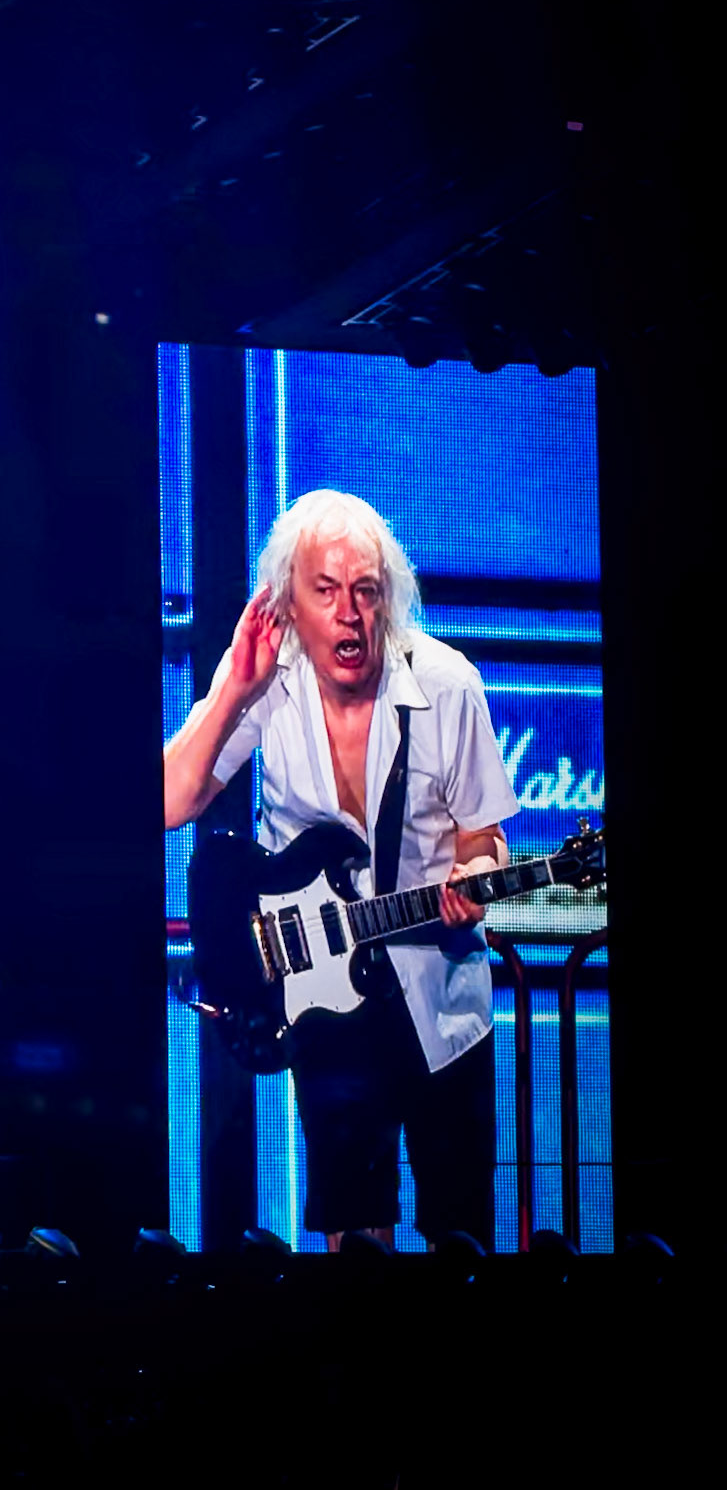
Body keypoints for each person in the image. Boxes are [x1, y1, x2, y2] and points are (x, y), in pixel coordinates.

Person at [163, 488, 519, 1251]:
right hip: (322, 999)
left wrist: (474, 873)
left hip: (440, 1000)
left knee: (461, 1233)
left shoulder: (446, 684)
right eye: (324, 591)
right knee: (355, 1239)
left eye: (365, 591)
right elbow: (167, 802)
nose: (349, 615)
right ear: (287, 601)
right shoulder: (269, 681)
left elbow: (484, 838)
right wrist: (232, 687)